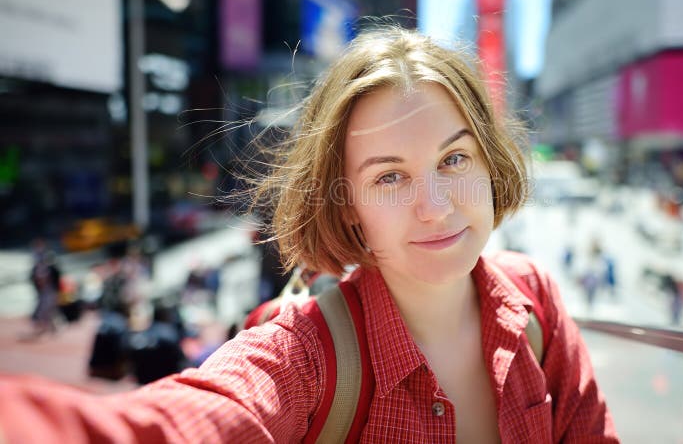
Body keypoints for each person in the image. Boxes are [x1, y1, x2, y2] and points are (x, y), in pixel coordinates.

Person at [0, 27, 617, 443]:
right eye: (390, 177)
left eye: (454, 159)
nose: (434, 206)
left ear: (489, 161)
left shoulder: (535, 300)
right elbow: (179, 423)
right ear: (347, 205)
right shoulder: (307, 355)